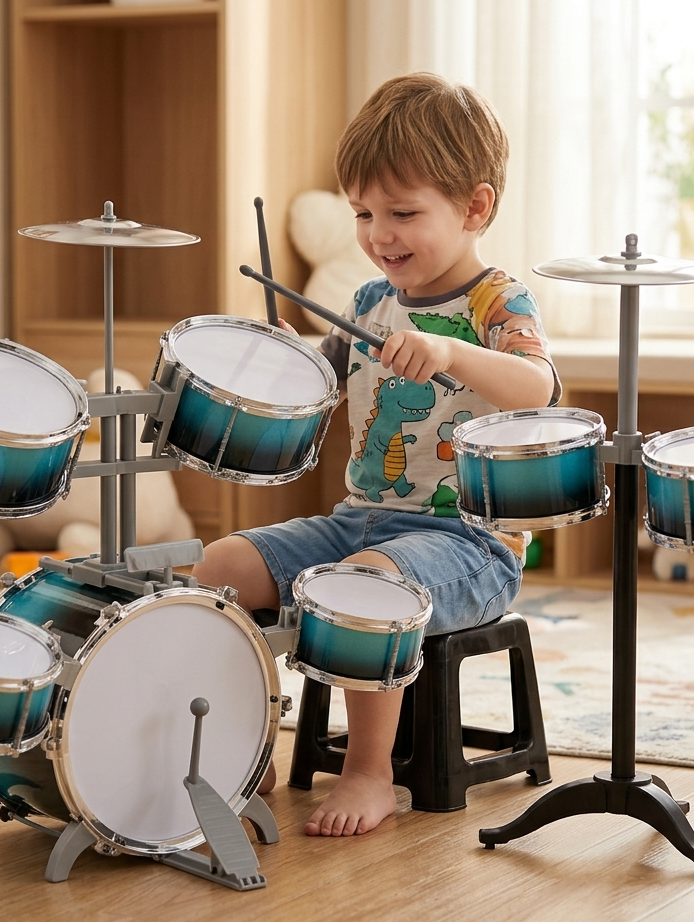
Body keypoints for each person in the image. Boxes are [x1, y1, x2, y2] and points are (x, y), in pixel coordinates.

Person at [192, 72, 561, 837]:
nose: (378, 234)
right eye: (363, 213)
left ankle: (370, 773)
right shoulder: (368, 302)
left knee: (363, 586)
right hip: (359, 521)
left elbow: (538, 385)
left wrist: (449, 352)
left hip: (470, 543)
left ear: (475, 207)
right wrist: (283, 359)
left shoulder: (496, 302)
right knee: (220, 566)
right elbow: (322, 380)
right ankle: (245, 747)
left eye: (403, 213)